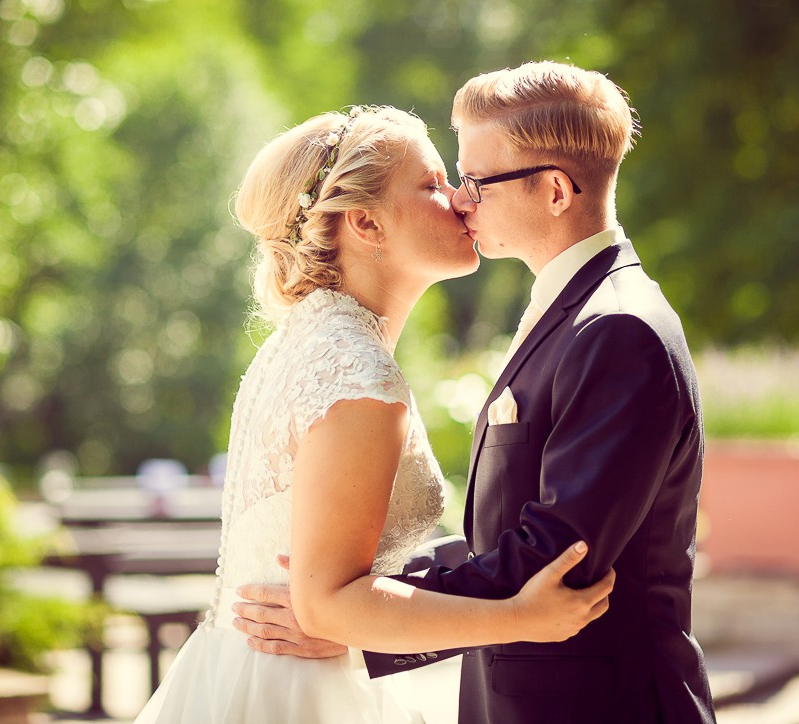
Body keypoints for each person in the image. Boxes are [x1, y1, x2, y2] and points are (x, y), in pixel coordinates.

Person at [235, 63, 717, 723]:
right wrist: (354, 602)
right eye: (449, 181)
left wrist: (351, 619)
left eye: (476, 181)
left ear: (553, 191)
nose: (462, 200)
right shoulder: (572, 311)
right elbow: (504, 535)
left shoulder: (620, 329)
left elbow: (559, 556)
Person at [133, 105, 614, 723]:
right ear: (365, 223)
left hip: (253, 673)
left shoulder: (306, 345)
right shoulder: (357, 374)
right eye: (433, 184)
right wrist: (518, 617)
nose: (462, 198)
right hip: (304, 694)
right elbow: (328, 604)